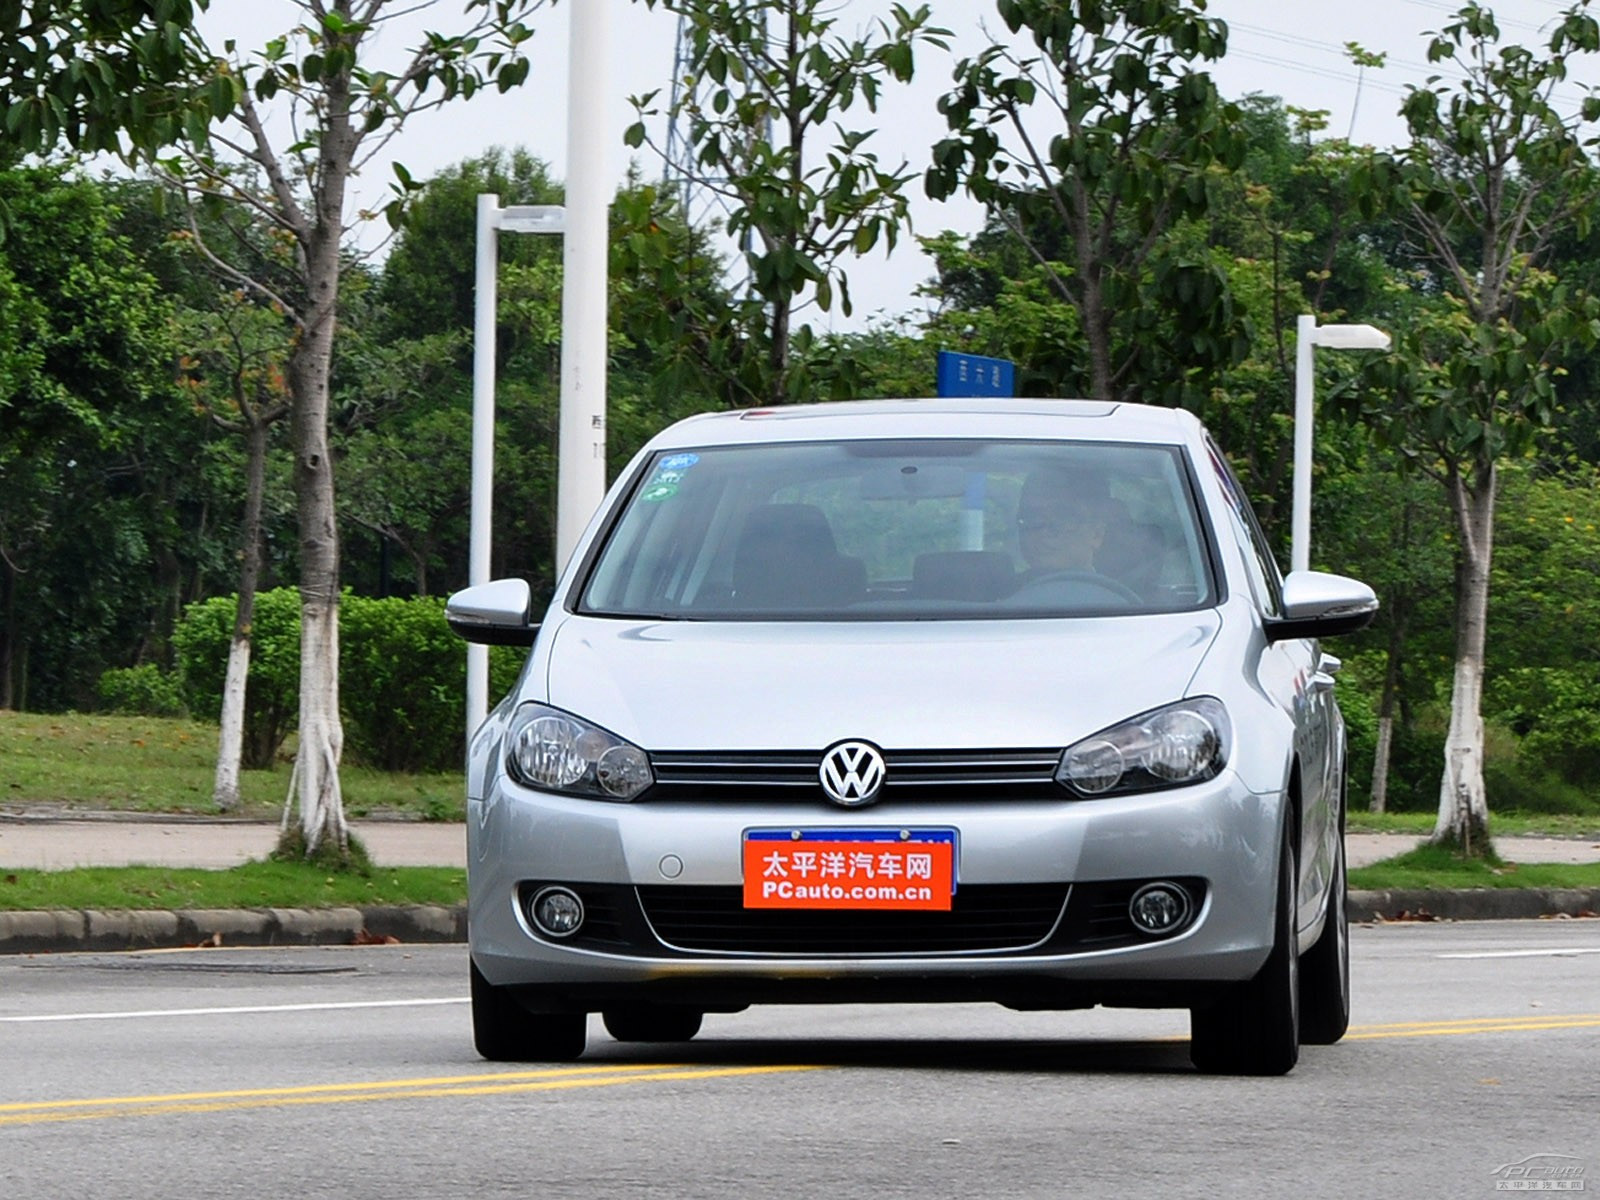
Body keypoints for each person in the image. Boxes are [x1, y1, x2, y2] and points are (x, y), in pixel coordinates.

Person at [1014, 466, 1112, 576]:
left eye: (1062, 518)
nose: (1043, 531)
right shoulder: (1001, 592)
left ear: (1097, 534)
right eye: (1031, 517)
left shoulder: (1115, 593)